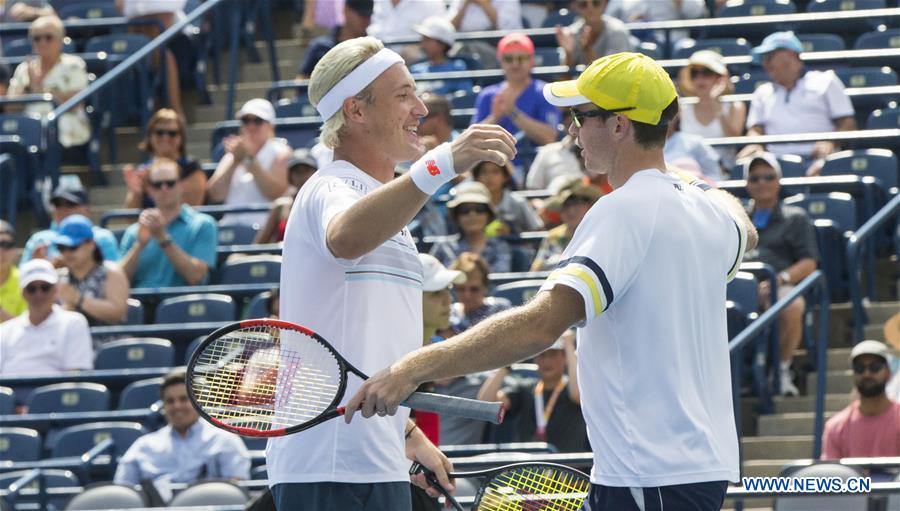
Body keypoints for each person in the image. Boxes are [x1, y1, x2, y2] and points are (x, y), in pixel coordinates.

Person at [345, 52, 759, 511]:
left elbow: (542, 326)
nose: (570, 129)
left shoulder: (623, 209)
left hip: (650, 474)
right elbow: (747, 227)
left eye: (581, 116)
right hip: (699, 470)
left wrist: (410, 370)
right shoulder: (708, 211)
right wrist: (684, 180)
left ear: (620, 126)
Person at [270, 36, 515, 510]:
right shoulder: (330, 185)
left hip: (374, 460)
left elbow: (367, 344)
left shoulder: (385, 203)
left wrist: (406, 432)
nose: (420, 108)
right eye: (403, 95)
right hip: (329, 466)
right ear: (356, 111)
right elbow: (345, 237)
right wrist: (441, 164)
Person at [741, 152, 818, 396]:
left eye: (768, 176)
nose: (762, 182)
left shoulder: (795, 217)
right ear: (747, 184)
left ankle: (782, 370)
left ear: (779, 181)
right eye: (755, 178)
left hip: (775, 284)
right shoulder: (737, 217)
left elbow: (809, 262)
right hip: (738, 284)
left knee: (792, 305)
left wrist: (780, 279)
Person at [737, 31, 856, 173]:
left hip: (819, 160)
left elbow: (848, 124)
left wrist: (830, 142)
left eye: (768, 57)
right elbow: (756, 129)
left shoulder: (826, 81)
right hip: (773, 165)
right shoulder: (762, 92)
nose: (764, 64)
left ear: (789, 55)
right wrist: (755, 143)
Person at [114, 369, 251, 486]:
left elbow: (236, 490)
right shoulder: (143, 446)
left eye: (184, 399)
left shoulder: (224, 440)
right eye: (170, 401)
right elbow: (123, 494)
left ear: (197, 401)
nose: (177, 406)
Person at [478, 331, 586, 452]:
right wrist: (506, 363)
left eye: (553, 354)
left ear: (564, 357)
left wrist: (569, 345)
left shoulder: (573, 388)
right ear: (535, 359)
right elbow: (485, 404)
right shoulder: (525, 387)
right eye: (542, 355)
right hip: (529, 467)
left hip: (568, 468)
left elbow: (577, 395)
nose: (547, 361)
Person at [119, 158, 218, 288]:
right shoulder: (134, 231)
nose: (164, 188)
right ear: (149, 190)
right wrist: (139, 245)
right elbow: (118, 282)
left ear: (181, 185)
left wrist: (163, 238)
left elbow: (196, 277)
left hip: (183, 304)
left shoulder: (203, 224)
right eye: (157, 185)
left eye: (170, 183)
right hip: (141, 304)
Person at [472, 32, 560, 175]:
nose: (515, 63)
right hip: (494, 170)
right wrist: (495, 117)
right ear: (501, 61)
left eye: (521, 58)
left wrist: (513, 112)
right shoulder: (487, 95)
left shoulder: (544, 92)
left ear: (532, 61)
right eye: (509, 58)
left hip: (536, 167)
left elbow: (550, 137)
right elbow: (473, 140)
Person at [7, 15, 91, 151]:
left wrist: (39, 89)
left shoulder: (73, 65)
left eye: (48, 37)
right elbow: (9, 108)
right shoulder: (24, 68)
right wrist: (29, 88)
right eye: (37, 38)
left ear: (60, 41)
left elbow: (75, 103)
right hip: (27, 131)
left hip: (63, 128)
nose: (42, 42)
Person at [0, 258, 93, 376]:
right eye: (31, 289)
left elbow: (74, 376)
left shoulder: (74, 323)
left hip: (57, 394)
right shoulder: (4, 331)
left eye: (45, 287)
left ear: (56, 290)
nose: (39, 294)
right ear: (22, 293)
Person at [207, 99, 291, 227]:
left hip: (264, 231)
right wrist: (235, 161)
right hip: (229, 227)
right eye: (246, 121)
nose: (251, 126)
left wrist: (248, 160)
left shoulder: (282, 153)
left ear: (270, 125)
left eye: (257, 121)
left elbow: (275, 193)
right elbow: (215, 195)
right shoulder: (232, 156)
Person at [821, 340, 900, 460]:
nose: (867, 374)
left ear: (888, 372)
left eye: (875, 367)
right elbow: (831, 474)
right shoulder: (835, 427)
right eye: (859, 368)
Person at [53, 215, 129, 328]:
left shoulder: (111, 273)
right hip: (67, 343)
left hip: (107, 343)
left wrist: (78, 299)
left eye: (73, 247)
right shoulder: (55, 277)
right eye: (62, 248)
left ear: (91, 244)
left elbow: (117, 314)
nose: (67, 253)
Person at [123, 108, 206, 208]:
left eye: (172, 133)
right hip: (148, 223)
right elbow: (129, 217)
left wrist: (150, 188)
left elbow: (193, 205)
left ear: (180, 138)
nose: (165, 137)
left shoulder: (190, 167)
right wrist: (137, 192)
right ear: (150, 136)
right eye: (159, 132)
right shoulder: (143, 170)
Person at [21, 180, 120, 264]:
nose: (62, 210)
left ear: (87, 210)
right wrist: (38, 267)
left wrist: (66, 264)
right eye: (58, 205)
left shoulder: (102, 238)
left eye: (70, 204)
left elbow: (112, 278)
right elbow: (23, 280)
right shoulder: (39, 240)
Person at [677, 50, 746, 169]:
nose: (699, 78)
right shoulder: (682, 109)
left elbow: (733, 141)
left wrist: (716, 104)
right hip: (689, 174)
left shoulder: (735, 107)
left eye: (706, 72)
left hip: (725, 173)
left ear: (720, 78)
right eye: (694, 73)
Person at [430, 182, 512, 273]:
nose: (472, 215)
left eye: (479, 209)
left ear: (489, 215)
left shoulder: (500, 246)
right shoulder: (443, 246)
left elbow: (500, 275)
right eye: (464, 210)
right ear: (456, 216)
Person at [530, 181, 601, 271]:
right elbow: (536, 269)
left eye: (577, 204)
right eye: (565, 206)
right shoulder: (553, 236)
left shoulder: (598, 234)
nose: (571, 211)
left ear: (589, 206)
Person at [254, 149, 318, 244]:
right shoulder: (280, 206)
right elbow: (258, 245)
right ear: (290, 176)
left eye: (306, 171)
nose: (302, 176)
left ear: (315, 173)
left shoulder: (321, 204)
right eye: (297, 172)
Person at [296, 0, 373, 79]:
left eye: (369, 16)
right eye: (361, 15)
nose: (366, 20)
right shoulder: (320, 47)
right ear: (346, 10)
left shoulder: (374, 50)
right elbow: (301, 81)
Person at [446, 252, 512, 334]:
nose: (467, 295)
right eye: (461, 289)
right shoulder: (448, 314)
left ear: (485, 287)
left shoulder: (500, 309)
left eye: (474, 289)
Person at [472, 160, 543, 235]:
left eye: (495, 172)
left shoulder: (518, 202)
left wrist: (513, 232)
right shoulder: (469, 203)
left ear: (505, 177)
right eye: (484, 172)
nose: (489, 177)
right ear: (476, 178)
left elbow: (538, 231)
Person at [555, 0, 631, 68]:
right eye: (583, 4)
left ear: (605, 3)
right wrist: (569, 54)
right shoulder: (571, 33)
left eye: (596, 3)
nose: (590, 9)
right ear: (576, 6)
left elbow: (612, 75)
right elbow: (564, 79)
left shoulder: (617, 31)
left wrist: (587, 49)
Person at [409, 17, 473, 96]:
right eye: (423, 40)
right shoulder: (416, 69)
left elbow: (464, 97)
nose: (423, 45)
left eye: (428, 40)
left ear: (442, 44)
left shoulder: (457, 68)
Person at [367, 0, 446, 41]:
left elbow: (440, 38)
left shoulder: (431, 3)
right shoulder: (374, 2)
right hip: (374, 57)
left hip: (415, 64)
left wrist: (418, 47)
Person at [0, 221, 27, 323]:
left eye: (6, 244)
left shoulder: (26, 282)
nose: (0, 250)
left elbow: (30, 332)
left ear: (15, 250)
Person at [447, 0, 522, 32]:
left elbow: (506, 27)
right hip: (464, 44)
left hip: (496, 45)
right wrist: (465, 5)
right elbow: (449, 28)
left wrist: (483, 2)